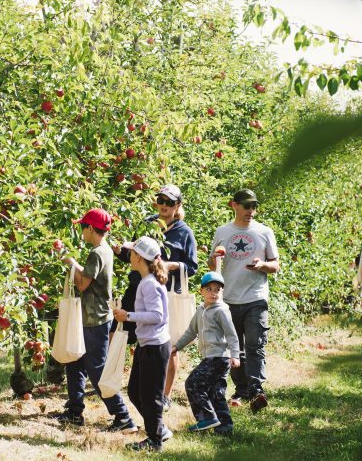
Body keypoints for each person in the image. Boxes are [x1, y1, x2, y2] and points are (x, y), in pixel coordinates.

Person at [114, 185, 198, 410]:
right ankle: (117, 382)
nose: (163, 205)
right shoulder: (147, 224)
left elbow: (192, 267)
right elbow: (134, 255)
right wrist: (118, 249)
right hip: (136, 288)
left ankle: (165, 395)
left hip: (165, 293)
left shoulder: (184, 232)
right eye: (161, 200)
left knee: (167, 343)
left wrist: (168, 265)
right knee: (120, 333)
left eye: (169, 202)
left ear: (178, 206)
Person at [55, 208, 137, 433]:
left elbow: (82, 284)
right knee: (74, 363)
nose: (81, 231)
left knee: (97, 370)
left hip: (96, 320)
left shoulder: (98, 252)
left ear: (91, 228)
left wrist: (70, 261)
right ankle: (74, 411)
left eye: (83, 227)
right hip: (90, 317)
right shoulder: (104, 250)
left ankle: (123, 416)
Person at [209, 188, 280, 413]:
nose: (251, 210)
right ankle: (242, 389)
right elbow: (214, 266)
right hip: (228, 298)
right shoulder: (222, 231)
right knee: (234, 347)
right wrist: (213, 258)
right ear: (234, 205)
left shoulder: (264, 232)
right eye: (247, 206)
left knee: (255, 344)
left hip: (255, 297)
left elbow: (275, 265)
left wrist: (262, 266)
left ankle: (257, 390)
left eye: (254, 206)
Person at [113, 237, 172, 452]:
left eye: (131, 253)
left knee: (151, 396)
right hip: (146, 344)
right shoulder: (145, 281)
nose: (129, 256)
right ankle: (159, 429)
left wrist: (127, 315)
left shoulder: (148, 284)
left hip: (155, 346)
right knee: (136, 392)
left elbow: (157, 315)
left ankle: (155, 440)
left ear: (138, 257)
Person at [171, 271, 241, 436]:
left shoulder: (221, 311)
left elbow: (231, 334)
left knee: (193, 383)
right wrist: (176, 347)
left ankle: (207, 417)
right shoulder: (201, 310)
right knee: (216, 392)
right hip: (210, 356)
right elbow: (191, 331)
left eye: (217, 289)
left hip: (219, 356)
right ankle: (224, 427)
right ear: (201, 291)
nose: (213, 293)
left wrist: (235, 354)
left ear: (222, 292)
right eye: (209, 289)